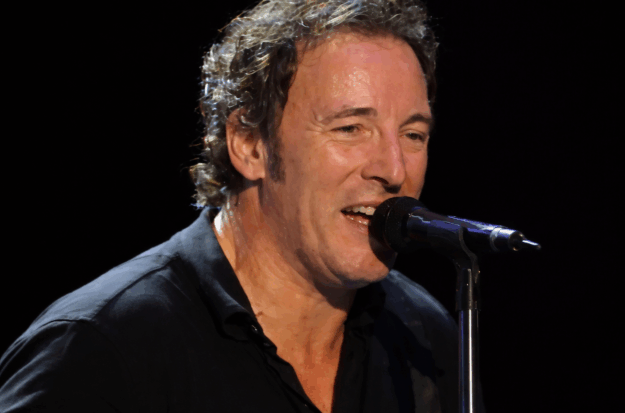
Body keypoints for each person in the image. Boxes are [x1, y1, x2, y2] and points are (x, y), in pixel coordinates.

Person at [0, 1, 479, 412]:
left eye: (413, 135)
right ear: (249, 144)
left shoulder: (423, 334)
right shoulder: (99, 349)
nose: (393, 169)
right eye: (350, 128)